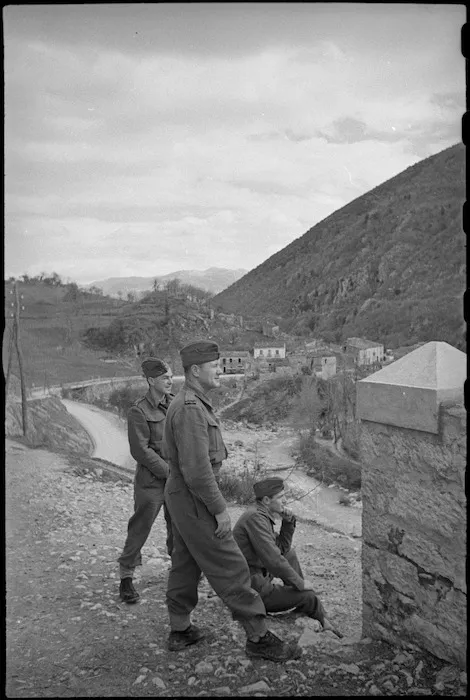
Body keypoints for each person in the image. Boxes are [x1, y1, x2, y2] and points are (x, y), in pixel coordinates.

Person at [163, 340, 301, 661]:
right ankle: (258, 637)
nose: (220, 370)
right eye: (214, 366)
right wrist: (220, 510)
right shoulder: (190, 410)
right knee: (232, 565)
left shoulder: (191, 403)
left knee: (185, 562)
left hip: (183, 497)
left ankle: (180, 629)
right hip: (194, 499)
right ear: (196, 371)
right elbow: (198, 472)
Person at [233, 477, 342, 638]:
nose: (285, 501)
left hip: (257, 577)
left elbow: (282, 549)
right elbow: (274, 560)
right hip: (251, 589)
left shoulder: (261, 514)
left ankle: (311, 607)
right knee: (308, 595)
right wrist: (300, 583)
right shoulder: (255, 518)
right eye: (280, 497)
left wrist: (288, 521)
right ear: (266, 500)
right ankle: (322, 619)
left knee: (290, 555)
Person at [117, 357, 174, 604]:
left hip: (174, 481)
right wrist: (167, 471)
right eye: (165, 378)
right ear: (151, 381)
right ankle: (126, 578)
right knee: (140, 527)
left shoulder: (174, 405)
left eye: (171, 376)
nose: (170, 381)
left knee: (179, 527)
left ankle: (180, 570)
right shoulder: (138, 410)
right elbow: (140, 450)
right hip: (151, 481)